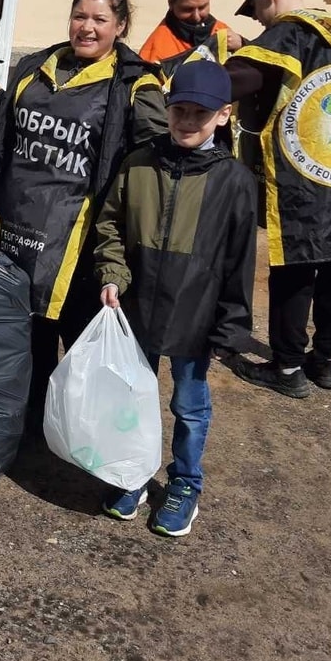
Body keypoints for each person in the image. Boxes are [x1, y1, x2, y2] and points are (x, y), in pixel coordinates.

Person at [0, 0, 167, 419]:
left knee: (77, 342)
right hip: (15, 233)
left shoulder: (134, 85)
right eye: (80, 16)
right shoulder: (37, 67)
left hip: (81, 245)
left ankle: (73, 429)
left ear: (121, 26)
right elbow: (8, 126)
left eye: (100, 19)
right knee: (23, 337)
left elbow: (159, 155)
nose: (87, 28)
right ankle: (29, 422)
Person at [94, 58, 257, 536]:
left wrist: (230, 325)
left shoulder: (235, 183)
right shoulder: (138, 163)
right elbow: (110, 225)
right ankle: (133, 471)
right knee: (134, 397)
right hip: (137, 306)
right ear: (167, 109)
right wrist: (112, 273)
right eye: (179, 110)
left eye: (200, 114)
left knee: (189, 404)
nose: (187, 121)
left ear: (223, 115)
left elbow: (239, 261)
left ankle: (185, 481)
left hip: (195, 315)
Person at [224, 0, 331, 397]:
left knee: (296, 262)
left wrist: (188, 79)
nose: (256, 18)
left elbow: (242, 79)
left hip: (305, 179)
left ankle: (288, 367)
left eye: (255, 7)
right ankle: (328, 362)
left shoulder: (287, 33)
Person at [138, 0, 243, 73]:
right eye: (187, 9)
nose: (196, 16)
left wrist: (242, 44)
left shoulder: (223, 33)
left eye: (202, 7)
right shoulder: (156, 47)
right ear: (171, 3)